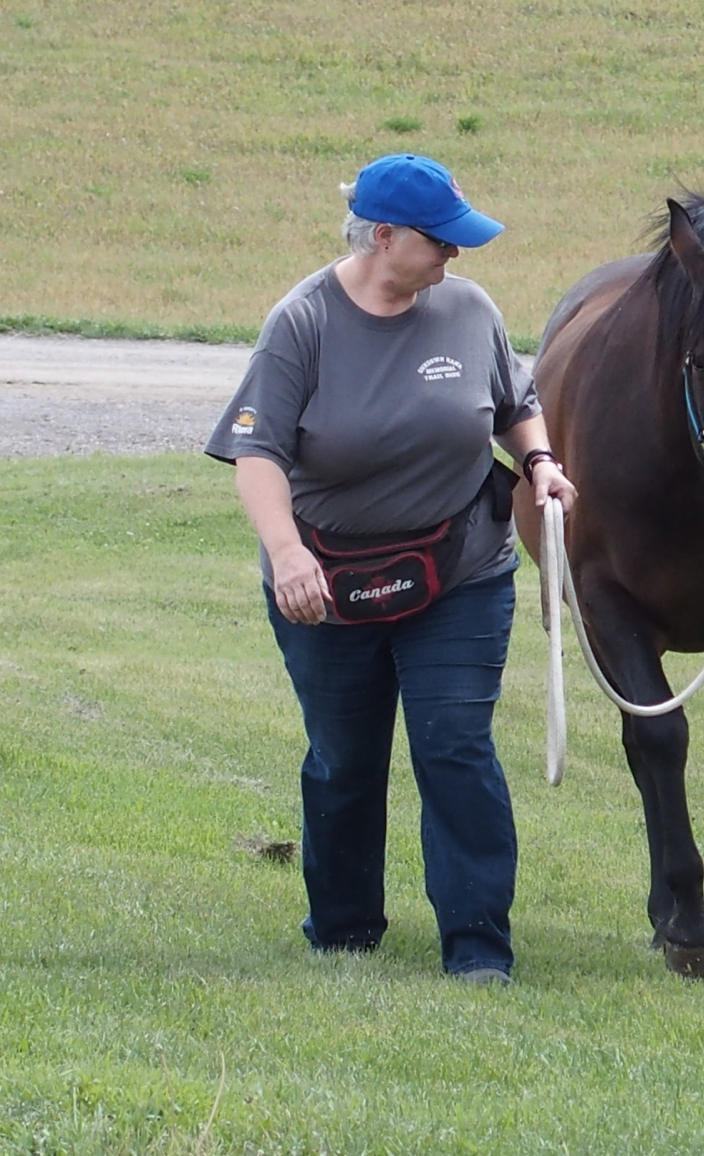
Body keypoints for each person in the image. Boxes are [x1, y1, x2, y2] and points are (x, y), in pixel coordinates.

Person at [205, 153, 576, 985]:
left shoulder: (468, 310)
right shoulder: (301, 323)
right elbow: (256, 450)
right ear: (382, 237)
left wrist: (542, 461)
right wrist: (287, 552)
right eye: (440, 240)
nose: (455, 255)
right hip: (326, 580)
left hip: (460, 570)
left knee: (454, 744)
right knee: (343, 753)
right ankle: (343, 930)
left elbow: (516, 405)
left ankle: (478, 948)